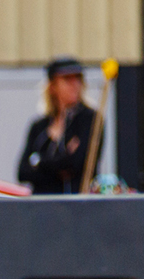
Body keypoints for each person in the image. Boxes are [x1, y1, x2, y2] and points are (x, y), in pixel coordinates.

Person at [17, 56, 100, 194]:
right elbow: (23, 173)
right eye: (67, 79)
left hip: (76, 202)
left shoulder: (90, 120)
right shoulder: (39, 126)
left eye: (78, 78)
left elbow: (78, 164)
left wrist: (38, 161)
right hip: (43, 202)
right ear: (53, 86)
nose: (74, 85)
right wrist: (62, 160)